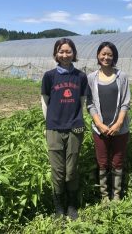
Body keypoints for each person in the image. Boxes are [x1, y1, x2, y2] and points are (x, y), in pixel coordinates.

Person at [41, 38, 88, 220]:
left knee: (71, 170)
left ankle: (72, 205)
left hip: (75, 128)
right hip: (54, 128)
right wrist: (49, 123)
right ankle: (59, 207)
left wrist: (76, 119)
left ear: (74, 54)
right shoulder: (49, 76)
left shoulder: (80, 77)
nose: (65, 55)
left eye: (68, 51)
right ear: (56, 54)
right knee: (58, 171)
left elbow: (82, 102)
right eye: (61, 51)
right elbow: (45, 101)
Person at [87, 41, 131, 202]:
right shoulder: (91, 78)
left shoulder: (121, 76)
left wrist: (118, 123)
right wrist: (99, 124)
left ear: (114, 57)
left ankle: (117, 195)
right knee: (103, 161)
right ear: (98, 56)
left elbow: (126, 102)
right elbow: (90, 103)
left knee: (117, 161)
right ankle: (105, 196)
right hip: (100, 129)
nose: (106, 57)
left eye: (110, 55)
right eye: (103, 54)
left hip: (120, 128)